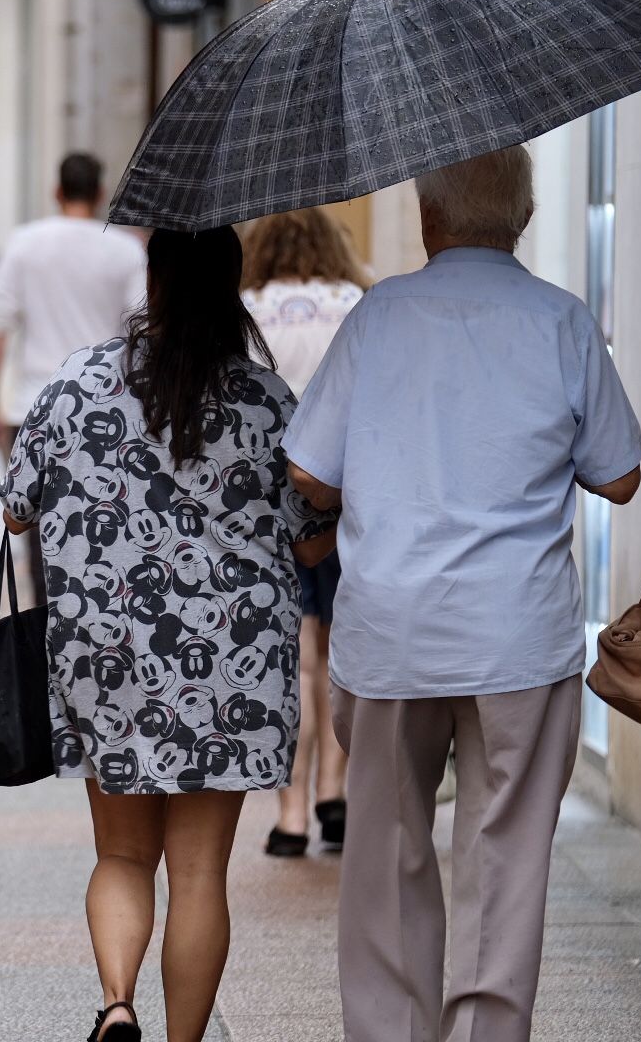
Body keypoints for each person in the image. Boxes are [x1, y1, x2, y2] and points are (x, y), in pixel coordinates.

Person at [285, 145, 641, 1042]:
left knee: (386, 853)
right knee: (506, 856)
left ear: (426, 216)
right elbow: (623, 474)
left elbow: (306, 467)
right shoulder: (562, 322)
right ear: (521, 218)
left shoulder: (379, 316)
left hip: (392, 627)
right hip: (518, 632)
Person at [0, 225, 337, 1042]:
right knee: (198, 874)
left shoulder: (76, 383)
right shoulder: (265, 402)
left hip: (104, 653)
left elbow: (16, 508)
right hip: (232, 661)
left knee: (120, 858)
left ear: (151, 279)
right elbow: (308, 538)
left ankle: (117, 1003)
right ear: (231, 285)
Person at [239, 208, 368, 857]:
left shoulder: (248, 305)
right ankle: (334, 793)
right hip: (348, 497)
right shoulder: (354, 302)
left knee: (293, 657)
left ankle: (290, 811)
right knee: (339, 653)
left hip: (271, 503)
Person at [0, 152, 146, 602]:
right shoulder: (124, 248)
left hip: (34, 404)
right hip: (110, 408)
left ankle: (48, 623)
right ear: (99, 193)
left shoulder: (25, 243)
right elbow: (141, 326)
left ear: (57, 190)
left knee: (36, 524)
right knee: (104, 517)